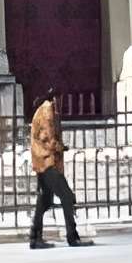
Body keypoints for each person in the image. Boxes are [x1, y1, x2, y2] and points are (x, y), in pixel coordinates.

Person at [27, 89, 87, 248]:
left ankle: (35, 236)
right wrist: (60, 147)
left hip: (42, 161)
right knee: (66, 196)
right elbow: (47, 137)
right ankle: (72, 237)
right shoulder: (47, 111)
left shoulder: (43, 109)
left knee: (45, 200)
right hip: (47, 161)